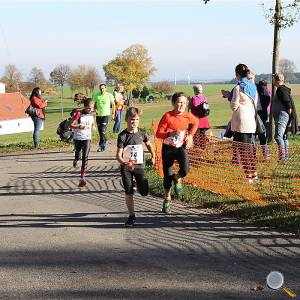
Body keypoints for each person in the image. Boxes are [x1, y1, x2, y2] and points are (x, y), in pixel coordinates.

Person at [156, 92, 198, 213]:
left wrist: (190, 136)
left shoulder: (187, 116)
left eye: (184, 103)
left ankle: (178, 178)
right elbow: (158, 133)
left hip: (180, 147)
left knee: (184, 170)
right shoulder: (167, 116)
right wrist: (169, 134)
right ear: (174, 103)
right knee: (167, 177)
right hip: (168, 148)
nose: (181, 105)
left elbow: (196, 123)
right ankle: (167, 199)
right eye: (179, 102)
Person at [116, 107, 155, 227]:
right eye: (132, 120)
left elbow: (149, 144)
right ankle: (131, 216)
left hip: (139, 165)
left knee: (144, 192)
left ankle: (139, 183)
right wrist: (124, 163)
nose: (134, 122)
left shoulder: (142, 133)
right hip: (126, 166)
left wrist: (153, 155)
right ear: (127, 120)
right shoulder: (123, 136)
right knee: (128, 191)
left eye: (137, 120)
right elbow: (118, 155)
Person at [230, 64, 257, 183]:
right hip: (251, 121)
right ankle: (254, 174)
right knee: (250, 149)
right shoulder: (253, 86)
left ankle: (248, 177)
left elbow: (234, 106)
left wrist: (229, 100)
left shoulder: (238, 88)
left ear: (237, 75)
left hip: (241, 122)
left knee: (243, 150)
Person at [69, 98, 96, 187]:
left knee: (85, 157)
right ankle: (76, 159)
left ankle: (82, 177)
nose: (90, 110)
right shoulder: (79, 114)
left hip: (87, 138)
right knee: (78, 155)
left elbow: (93, 124)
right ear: (84, 107)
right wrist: (78, 126)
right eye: (88, 108)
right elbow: (71, 125)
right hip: (78, 138)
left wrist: (93, 127)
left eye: (92, 108)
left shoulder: (93, 113)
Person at [272, 73, 298, 161]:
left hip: (282, 116)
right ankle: (285, 157)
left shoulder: (281, 90)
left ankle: (282, 157)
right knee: (284, 136)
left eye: (273, 79)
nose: (272, 81)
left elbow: (288, 103)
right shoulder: (282, 89)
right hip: (284, 116)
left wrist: (289, 113)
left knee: (278, 137)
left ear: (277, 80)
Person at [93, 83, 115, 152]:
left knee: (102, 130)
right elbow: (94, 104)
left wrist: (113, 113)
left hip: (106, 115)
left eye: (103, 88)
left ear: (106, 88)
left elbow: (113, 104)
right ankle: (104, 142)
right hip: (98, 115)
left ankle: (101, 145)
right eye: (101, 88)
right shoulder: (96, 95)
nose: (102, 89)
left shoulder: (109, 95)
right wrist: (95, 110)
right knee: (100, 132)